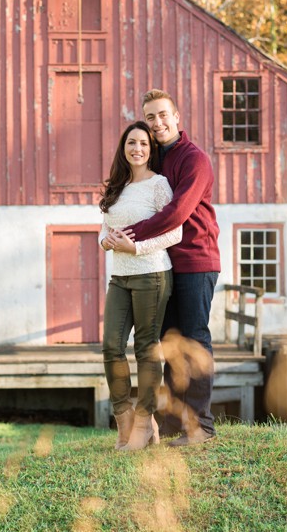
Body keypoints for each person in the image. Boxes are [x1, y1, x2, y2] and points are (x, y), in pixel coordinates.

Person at [116, 88, 221, 447]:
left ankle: (201, 427)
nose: (157, 122)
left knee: (193, 339)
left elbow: (176, 214)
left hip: (195, 259)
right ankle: (177, 425)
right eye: (150, 117)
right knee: (170, 342)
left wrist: (130, 235)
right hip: (164, 263)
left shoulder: (195, 160)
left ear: (177, 117)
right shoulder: (157, 159)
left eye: (163, 115)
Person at [99, 121, 182, 451]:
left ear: (151, 150)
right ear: (123, 147)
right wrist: (106, 243)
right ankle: (124, 420)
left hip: (152, 272)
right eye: (132, 143)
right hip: (120, 276)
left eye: (144, 144)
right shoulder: (116, 187)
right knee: (111, 346)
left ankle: (146, 422)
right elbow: (104, 230)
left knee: (146, 347)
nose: (138, 148)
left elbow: (174, 233)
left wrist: (135, 247)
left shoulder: (159, 185)